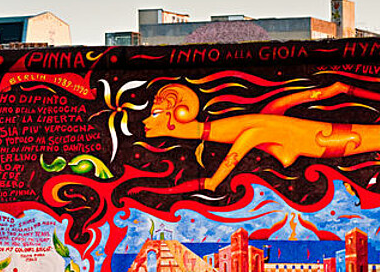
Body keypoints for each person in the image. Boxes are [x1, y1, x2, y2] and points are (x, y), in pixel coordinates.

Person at [143, 81, 380, 191]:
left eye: (154, 114)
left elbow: (228, 164)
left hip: (338, 139)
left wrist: (159, 190)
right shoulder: (266, 117)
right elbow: (323, 92)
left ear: (175, 117)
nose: (145, 121)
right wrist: (341, 89)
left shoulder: (256, 130)